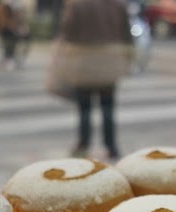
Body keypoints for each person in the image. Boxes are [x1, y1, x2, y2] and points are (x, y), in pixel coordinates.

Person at [53, 0, 134, 159]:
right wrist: (128, 58)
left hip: (83, 60)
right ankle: (111, 147)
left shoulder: (77, 4)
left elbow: (67, 31)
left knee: (84, 107)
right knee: (108, 106)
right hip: (110, 60)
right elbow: (126, 34)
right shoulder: (118, 4)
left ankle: (83, 144)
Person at [0, 0, 29, 71]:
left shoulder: (16, 5)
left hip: (11, 29)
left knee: (12, 45)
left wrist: (20, 27)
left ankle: (9, 60)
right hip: (6, 29)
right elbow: (3, 18)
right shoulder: (5, 5)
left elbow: (20, 17)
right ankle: (8, 60)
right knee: (8, 45)